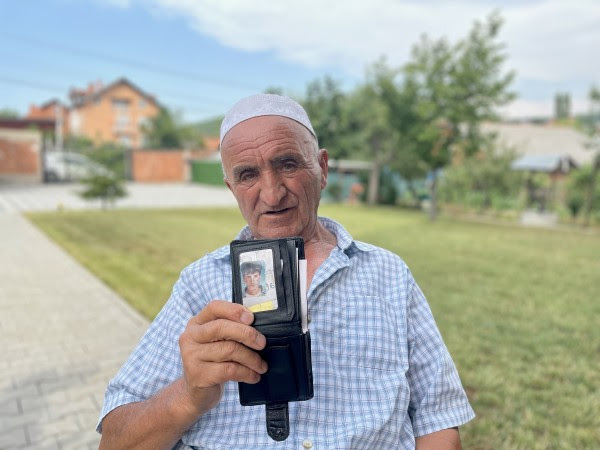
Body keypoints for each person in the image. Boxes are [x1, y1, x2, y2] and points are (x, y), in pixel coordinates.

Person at [97, 94, 475, 449]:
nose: (272, 193)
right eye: (248, 175)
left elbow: (438, 419)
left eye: (288, 164)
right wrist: (188, 395)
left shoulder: (388, 275)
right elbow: (115, 440)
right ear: (232, 187)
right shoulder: (199, 286)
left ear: (322, 169)